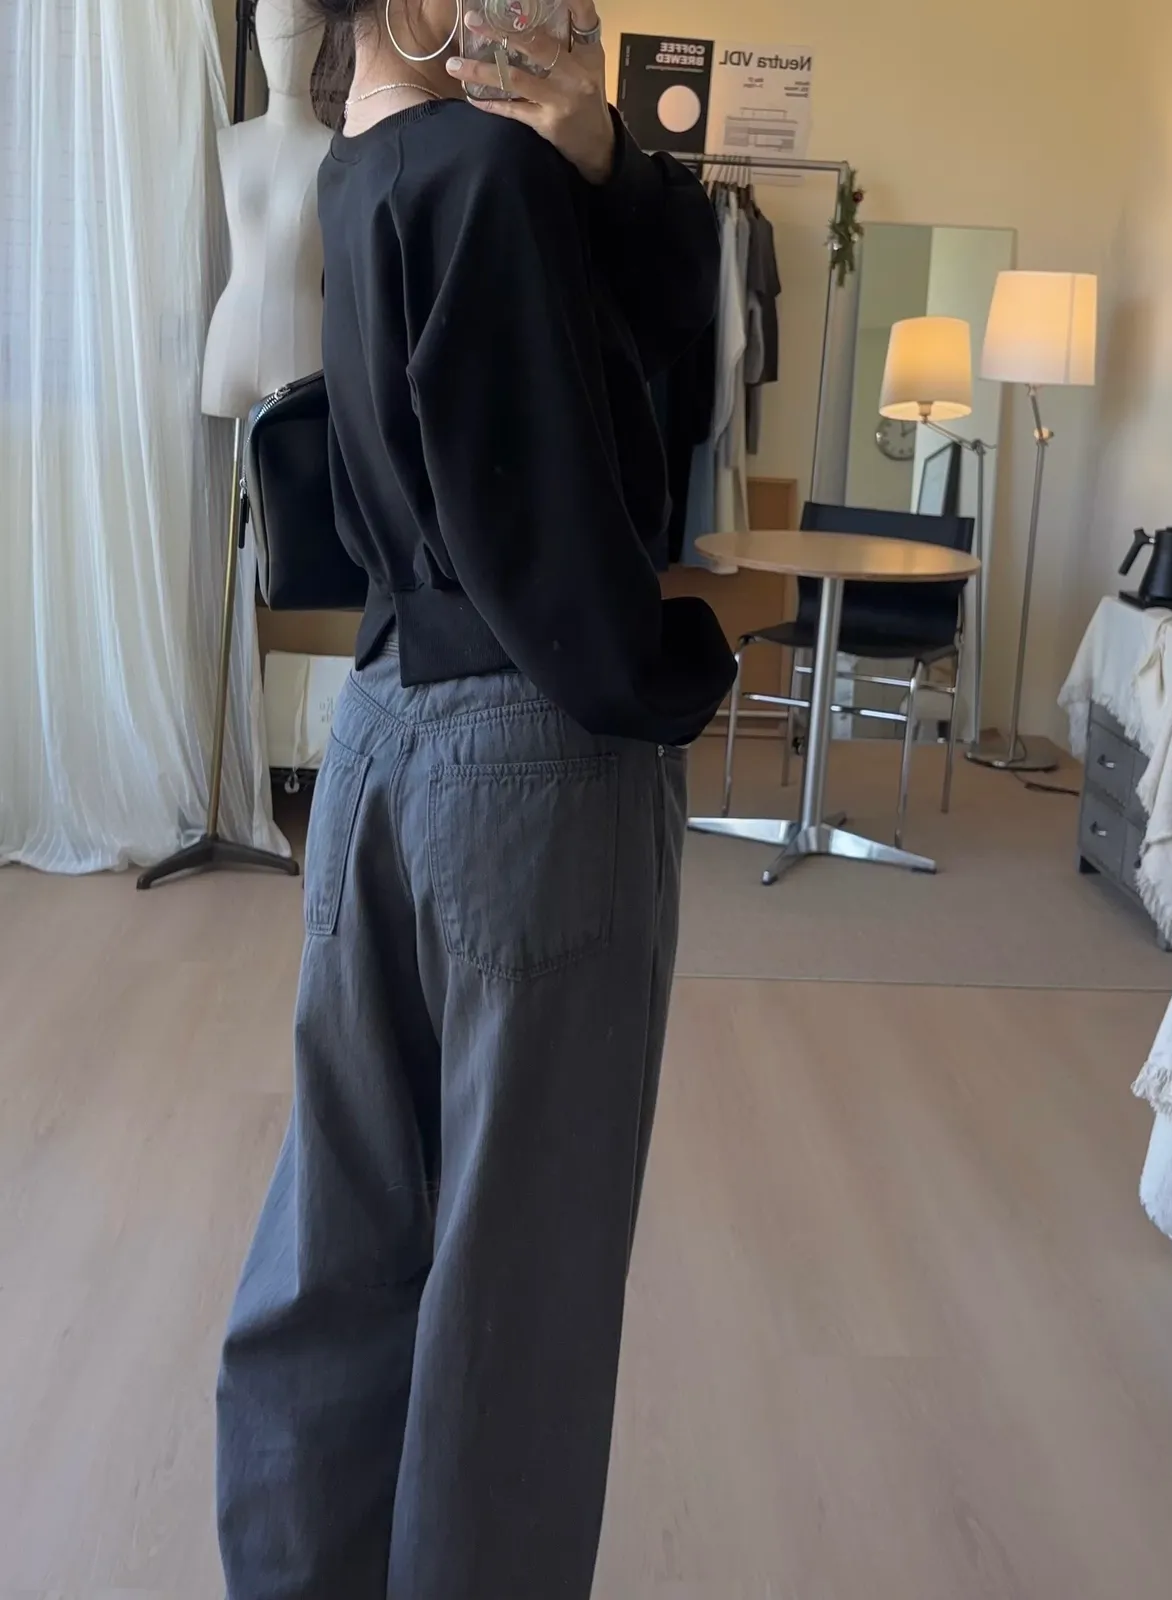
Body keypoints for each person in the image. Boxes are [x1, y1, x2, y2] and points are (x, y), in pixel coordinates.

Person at [215, 2, 734, 1596]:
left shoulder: (362, 164)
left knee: (342, 1239)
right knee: (521, 1302)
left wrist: (604, 157)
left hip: (381, 726)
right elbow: (569, 550)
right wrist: (679, 667)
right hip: (531, 756)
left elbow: (650, 348)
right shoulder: (489, 180)